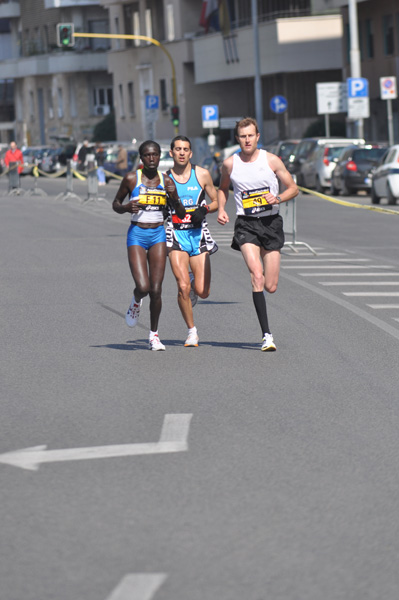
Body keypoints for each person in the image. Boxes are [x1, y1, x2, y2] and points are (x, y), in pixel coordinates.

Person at [217, 117, 298, 352]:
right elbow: (222, 188)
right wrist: (221, 209)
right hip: (246, 224)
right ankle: (267, 336)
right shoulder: (230, 164)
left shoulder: (271, 160)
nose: (247, 140)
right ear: (237, 139)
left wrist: (279, 197)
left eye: (250, 135)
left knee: (271, 285)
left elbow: (293, 188)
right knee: (257, 276)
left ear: (257, 136)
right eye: (242, 136)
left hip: (271, 223)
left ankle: (266, 330)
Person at [112, 140, 186, 351]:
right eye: (147, 155)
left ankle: (153, 335)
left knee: (156, 289)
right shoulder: (131, 178)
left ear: (159, 157)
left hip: (157, 234)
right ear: (141, 158)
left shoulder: (167, 180)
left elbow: (180, 214)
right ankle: (136, 301)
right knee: (143, 287)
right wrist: (126, 207)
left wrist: (174, 196)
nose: (151, 159)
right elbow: (115, 204)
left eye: (155, 155)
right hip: (137, 234)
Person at [165, 135, 218, 347]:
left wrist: (203, 209)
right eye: (177, 149)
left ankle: (195, 288)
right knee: (183, 287)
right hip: (176, 235)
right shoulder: (165, 179)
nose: (181, 152)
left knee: (203, 291)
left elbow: (216, 201)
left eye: (185, 149)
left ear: (190, 153)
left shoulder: (202, 174)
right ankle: (192, 332)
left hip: (198, 236)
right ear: (171, 153)